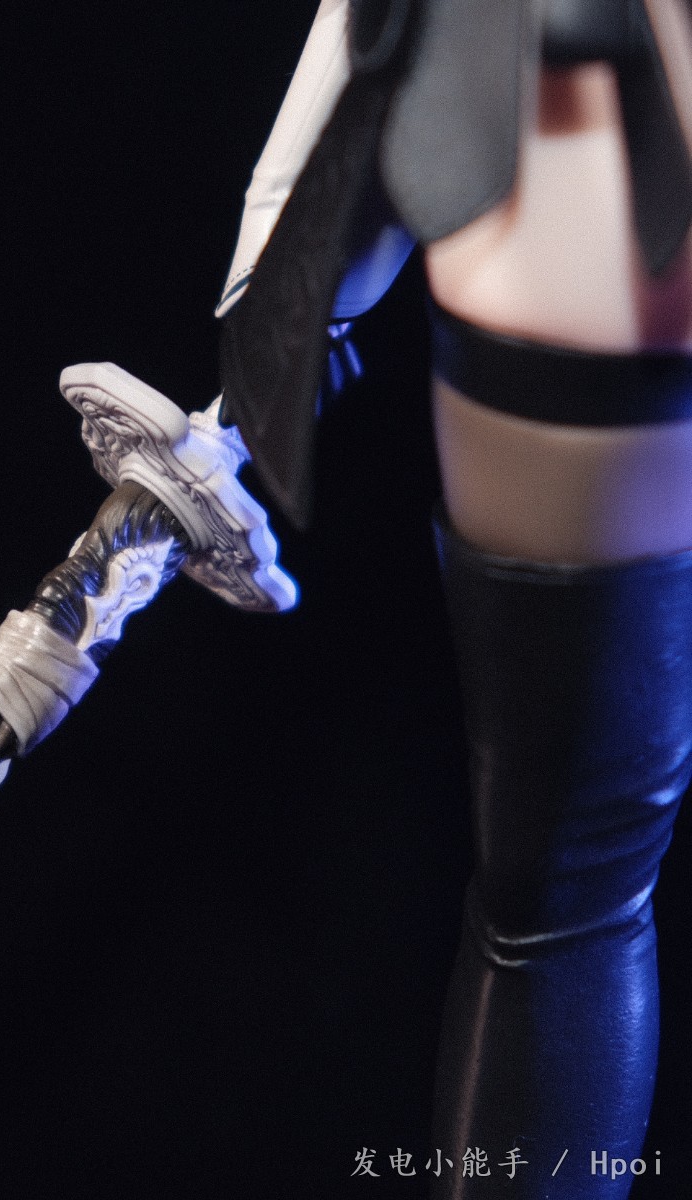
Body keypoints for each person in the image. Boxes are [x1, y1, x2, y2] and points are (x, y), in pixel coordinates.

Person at [216, 0, 692, 1194]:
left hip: (596, 162)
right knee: (564, 891)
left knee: (566, 895)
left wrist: (288, 268)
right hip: (603, 166)